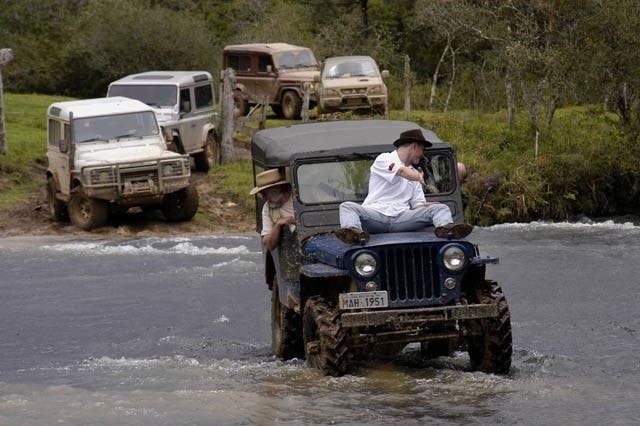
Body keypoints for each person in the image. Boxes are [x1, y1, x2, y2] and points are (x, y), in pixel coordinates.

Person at [337, 128, 473, 244]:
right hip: (376, 216)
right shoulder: (384, 159)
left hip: (402, 219)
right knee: (347, 206)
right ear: (415, 146)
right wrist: (418, 177)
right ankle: (354, 234)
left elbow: (417, 205)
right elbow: (401, 171)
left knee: (440, 208)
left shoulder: (414, 172)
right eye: (422, 149)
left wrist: (429, 206)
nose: (422, 155)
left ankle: (447, 231)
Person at [249, 169, 295, 251]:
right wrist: (278, 225)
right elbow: (268, 245)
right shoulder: (268, 208)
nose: (264, 198)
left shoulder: (300, 198)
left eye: (264, 194)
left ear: (276, 190)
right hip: (290, 248)